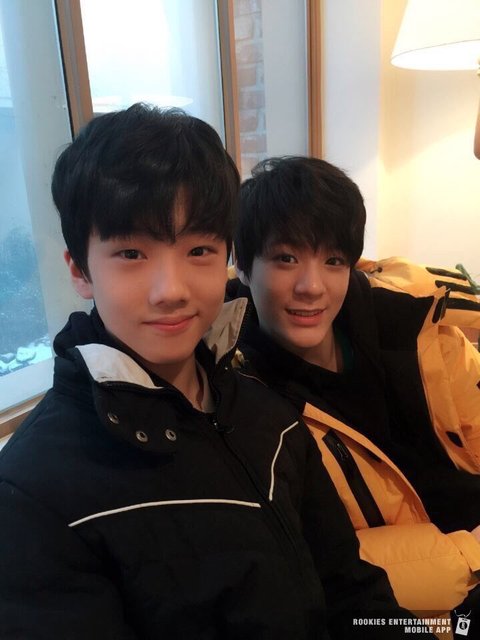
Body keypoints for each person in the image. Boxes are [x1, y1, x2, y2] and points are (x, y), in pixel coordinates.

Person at [0, 105, 421, 640]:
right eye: (131, 253)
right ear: (80, 270)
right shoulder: (33, 489)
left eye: (198, 250)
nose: (171, 290)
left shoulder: (271, 419)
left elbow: (352, 593)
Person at [230, 155, 480, 625]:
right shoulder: (242, 403)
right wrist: (469, 553)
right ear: (243, 266)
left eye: (333, 261)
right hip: (416, 612)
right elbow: (322, 571)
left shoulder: (415, 329)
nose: (312, 286)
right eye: (286, 258)